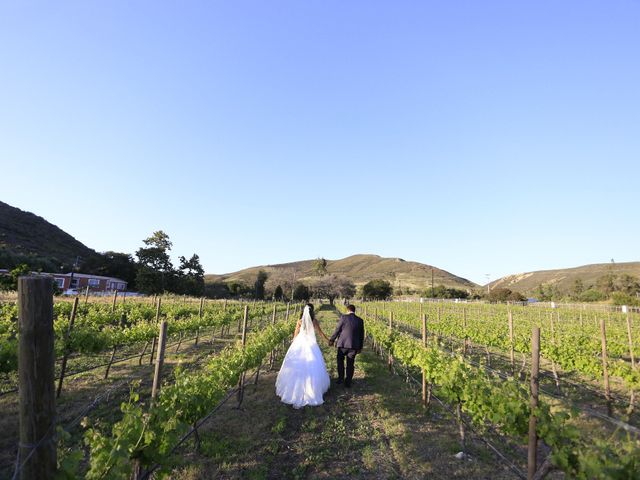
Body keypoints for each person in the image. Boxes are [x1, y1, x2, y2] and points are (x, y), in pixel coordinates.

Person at [275, 304, 331, 408]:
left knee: (296, 365)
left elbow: (295, 335)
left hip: (300, 343)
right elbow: (320, 333)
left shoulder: (299, 321)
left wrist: (293, 345)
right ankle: (312, 390)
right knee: (313, 364)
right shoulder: (314, 321)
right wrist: (328, 340)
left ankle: (293, 390)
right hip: (311, 344)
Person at [329, 304, 364, 388]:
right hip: (354, 345)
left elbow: (337, 329)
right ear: (354, 311)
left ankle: (340, 379)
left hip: (343, 344)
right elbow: (361, 335)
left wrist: (332, 339)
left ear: (347, 310)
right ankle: (348, 382)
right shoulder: (360, 320)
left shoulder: (343, 317)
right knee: (350, 363)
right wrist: (360, 347)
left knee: (340, 361)